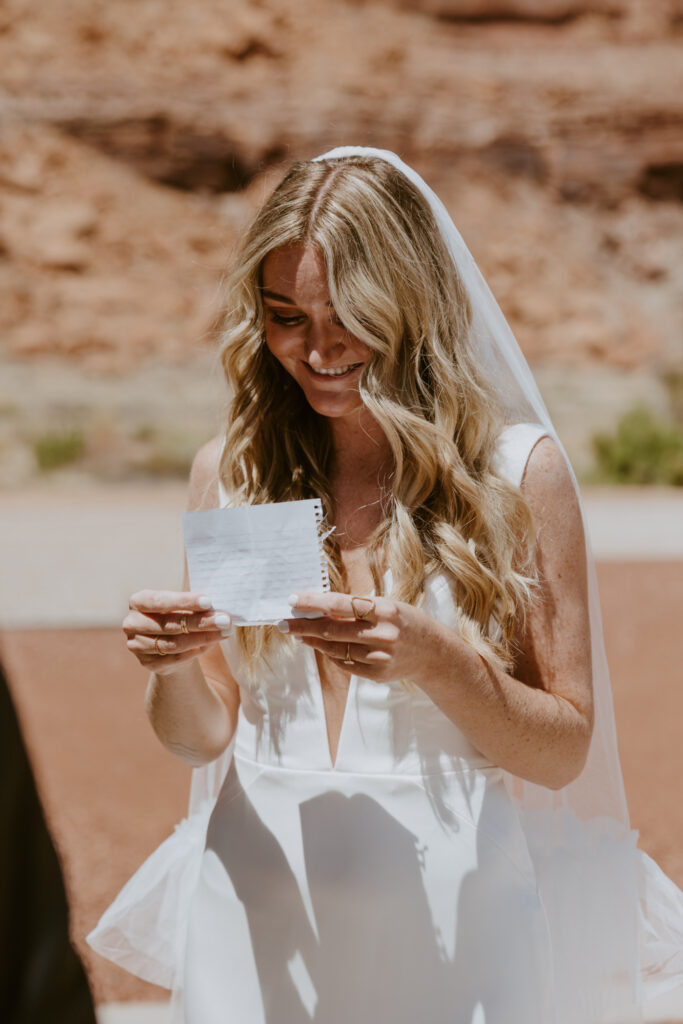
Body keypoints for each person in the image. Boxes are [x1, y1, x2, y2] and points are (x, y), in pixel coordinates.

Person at [88, 148, 683, 1024]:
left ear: (410, 303)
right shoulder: (235, 470)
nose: (316, 349)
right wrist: (172, 665)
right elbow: (200, 739)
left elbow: (561, 751)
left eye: (348, 317)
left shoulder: (516, 476)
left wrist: (439, 660)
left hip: (452, 935)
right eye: (285, 316)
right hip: (255, 919)